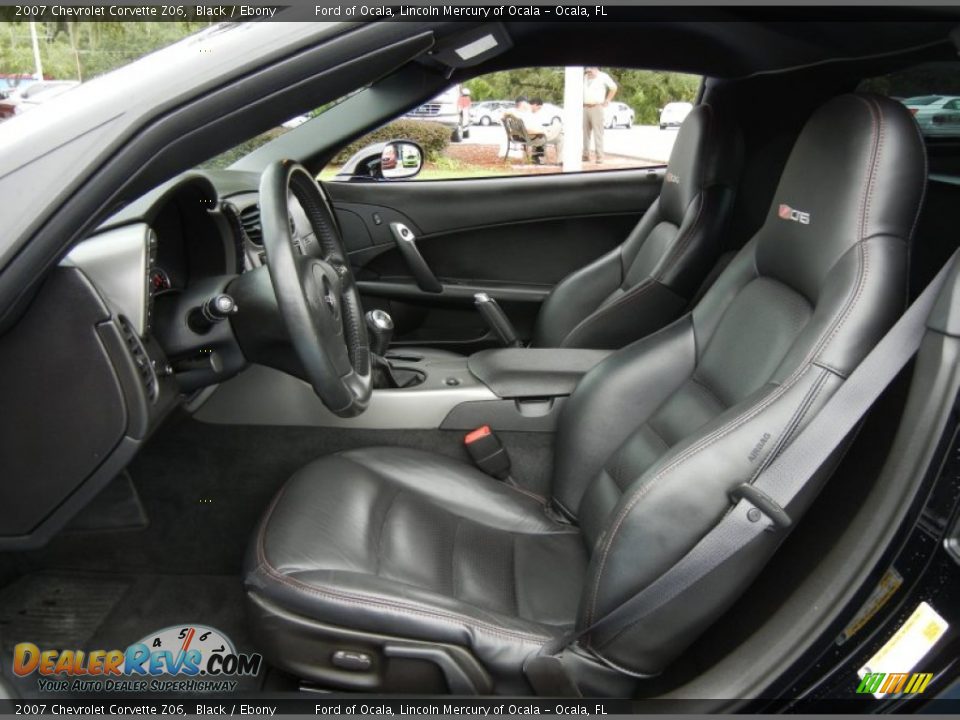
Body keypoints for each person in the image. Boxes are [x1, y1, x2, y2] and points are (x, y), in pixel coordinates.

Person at [582, 67, 617, 163]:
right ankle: (585, 155)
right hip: (585, 107)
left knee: (598, 133)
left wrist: (608, 100)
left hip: (596, 106)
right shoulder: (585, 77)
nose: (589, 72)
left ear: (595, 68)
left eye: (590, 70)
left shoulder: (603, 76)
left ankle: (599, 156)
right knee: (585, 133)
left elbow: (613, 88)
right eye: (587, 70)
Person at [503, 97, 552, 165]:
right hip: (527, 138)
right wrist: (541, 132)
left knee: (546, 134)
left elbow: (504, 114)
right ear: (521, 105)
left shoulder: (514, 114)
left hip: (516, 137)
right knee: (545, 135)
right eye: (526, 105)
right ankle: (536, 157)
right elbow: (528, 130)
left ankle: (535, 157)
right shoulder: (522, 116)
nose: (528, 106)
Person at [530, 97, 564, 164]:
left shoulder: (532, 114)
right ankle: (560, 160)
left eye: (531, 105)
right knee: (561, 137)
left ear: (537, 105)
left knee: (560, 135)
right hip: (539, 137)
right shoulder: (537, 114)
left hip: (534, 137)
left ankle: (536, 156)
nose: (531, 107)